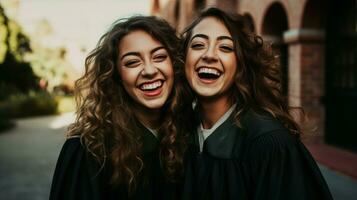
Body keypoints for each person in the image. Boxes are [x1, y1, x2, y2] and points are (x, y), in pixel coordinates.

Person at [180, 7, 333, 200]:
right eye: (198, 45)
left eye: (226, 47)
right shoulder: (178, 131)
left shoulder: (270, 144)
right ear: (183, 58)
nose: (209, 55)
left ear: (241, 64)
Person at [50, 16, 188, 200]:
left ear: (175, 65)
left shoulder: (185, 139)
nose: (149, 70)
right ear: (115, 75)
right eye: (132, 62)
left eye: (159, 57)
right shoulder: (89, 150)